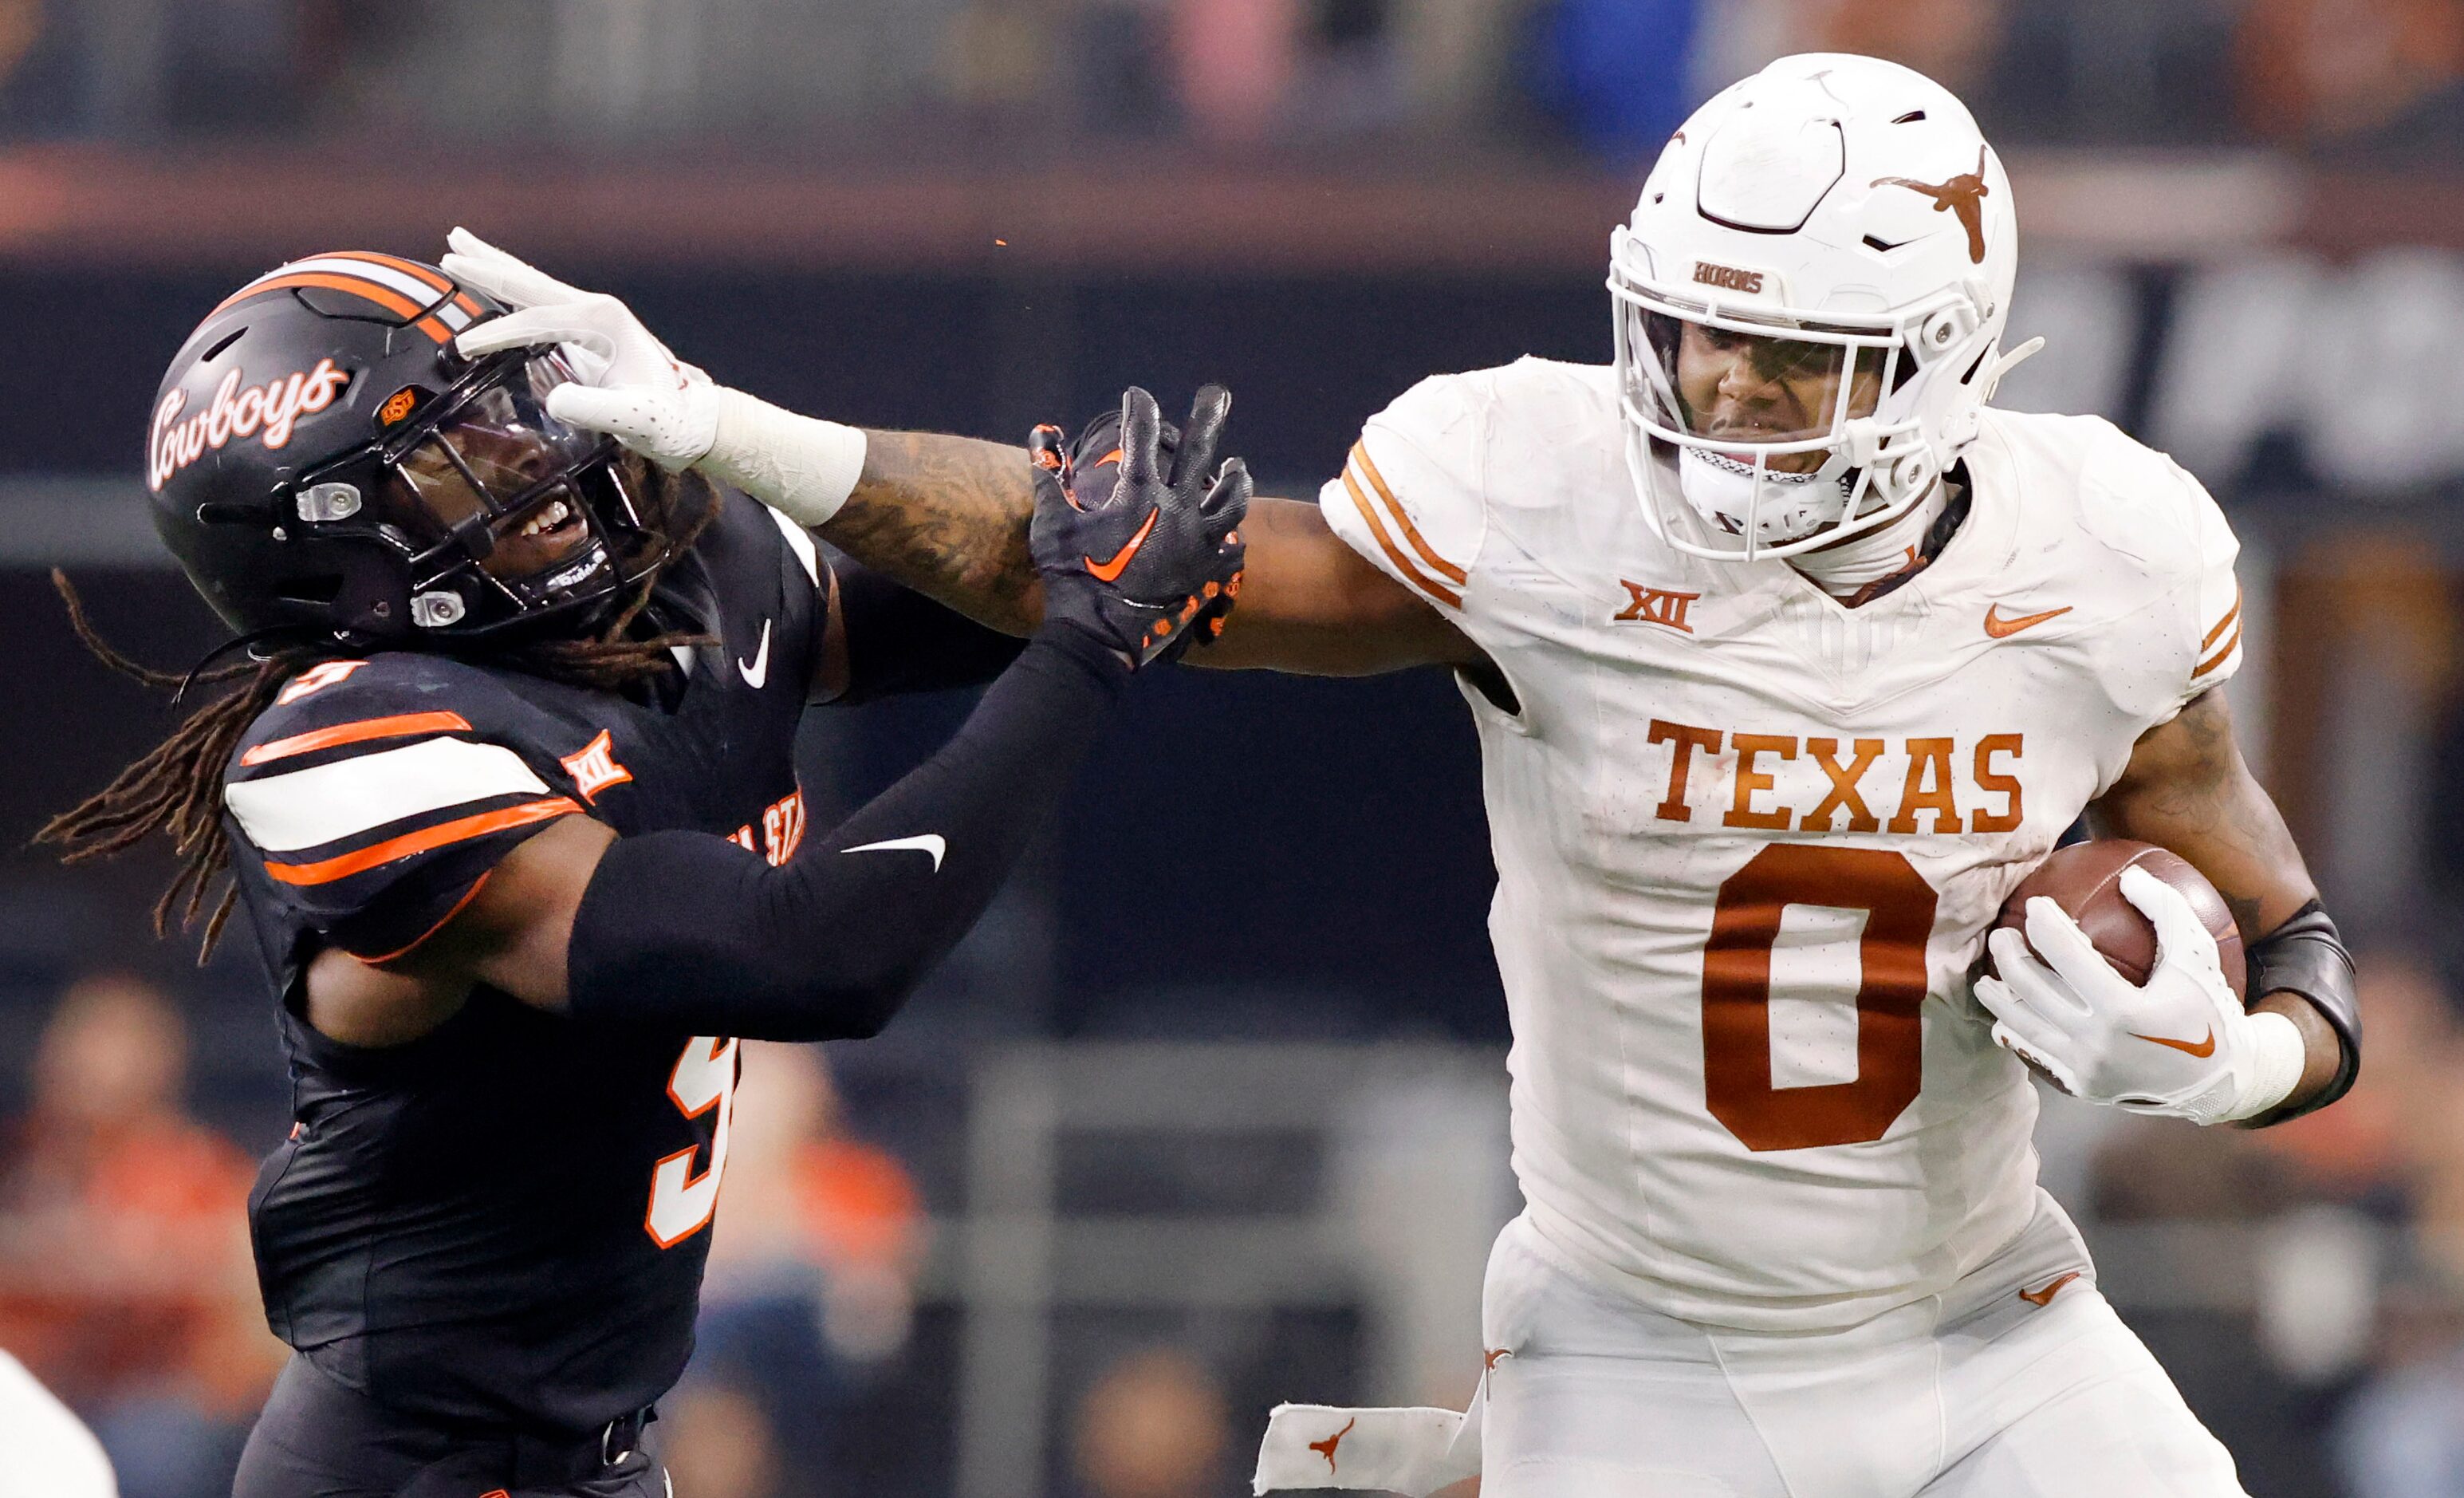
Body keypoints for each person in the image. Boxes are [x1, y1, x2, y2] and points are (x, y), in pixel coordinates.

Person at [444, 54, 2364, 1496]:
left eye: (1791, 359)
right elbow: (1127, 555)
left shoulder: (2105, 554)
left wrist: (2228, 1062)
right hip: (1644, 1354)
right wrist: (743, 432)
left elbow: (2291, 933)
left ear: (1947, 364)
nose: (1719, 396)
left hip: (1992, 1328)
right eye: (1695, 337)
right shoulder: (1541, 500)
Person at [40, 242, 1246, 1496]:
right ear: (327, 548)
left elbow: (991, 580)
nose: (532, 463)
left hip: (600, 1450)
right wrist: (1090, 643)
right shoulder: (348, 748)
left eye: (506, 413)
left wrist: (1089, 536)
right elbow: (818, 955)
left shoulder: (667, 589)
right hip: (415, 1467)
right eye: (455, 460)